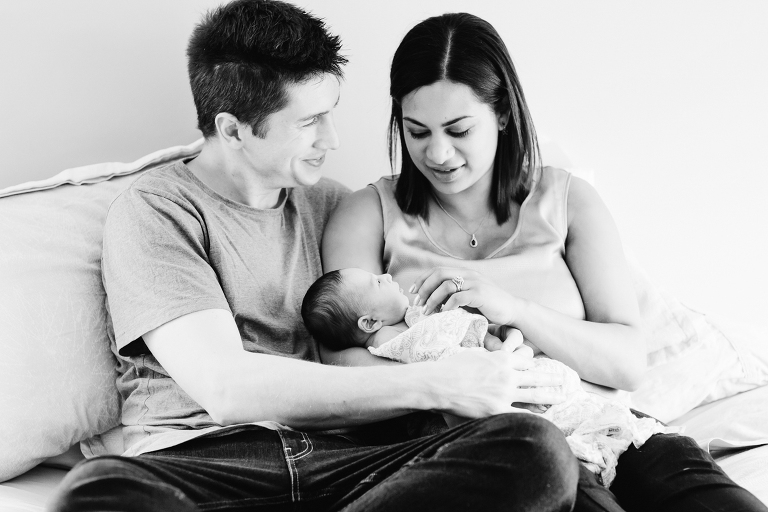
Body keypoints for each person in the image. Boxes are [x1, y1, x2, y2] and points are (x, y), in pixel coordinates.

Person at [49, 2, 581, 511]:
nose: (332, 139)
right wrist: (441, 383)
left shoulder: (332, 204)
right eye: (309, 122)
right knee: (102, 489)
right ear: (233, 129)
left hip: (347, 464)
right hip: (211, 461)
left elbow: (384, 335)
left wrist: (483, 347)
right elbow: (228, 387)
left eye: (331, 114)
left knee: (534, 451)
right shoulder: (157, 210)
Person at [321, 11, 768, 512]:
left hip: (616, 428)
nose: (438, 153)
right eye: (417, 131)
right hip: (498, 443)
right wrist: (452, 381)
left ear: (504, 114)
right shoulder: (368, 214)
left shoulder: (569, 200)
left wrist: (515, 309)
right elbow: (339, 363)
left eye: (458, 129)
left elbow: (626, 361)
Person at [301, 267, 677, 487]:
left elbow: (628, 366)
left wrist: (510, 325)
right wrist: (491, 348)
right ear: (369, 322)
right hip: (517, 425)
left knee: (673, 457)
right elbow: (451, 360)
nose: (387, 274)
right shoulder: (403, 337)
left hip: (587, 405)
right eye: (377, 283)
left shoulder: (408, 326)